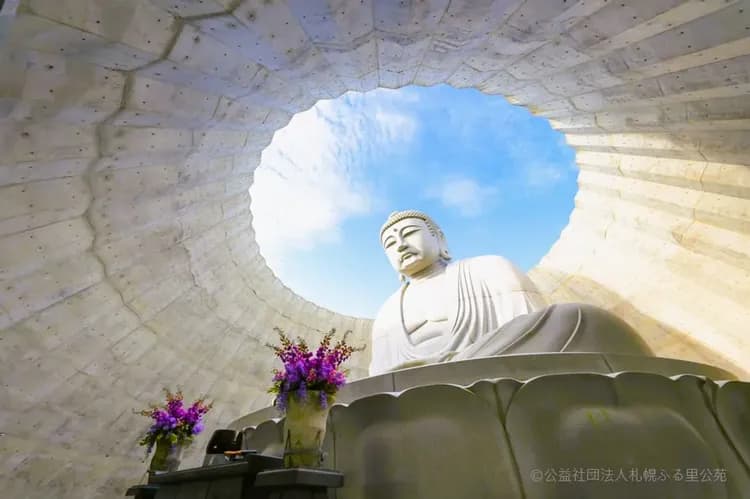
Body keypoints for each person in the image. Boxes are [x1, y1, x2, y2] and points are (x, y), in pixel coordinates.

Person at [370, 210, 652, 376]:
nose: (400, 245)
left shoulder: (488, 267)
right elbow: (381, 376)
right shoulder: (386, 314)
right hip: (417, 382)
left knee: (580, 318)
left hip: (491, 363)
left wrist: (460, 361)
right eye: (390, 244)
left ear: (439, 238)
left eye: (409, 233)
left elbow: (528, 329)